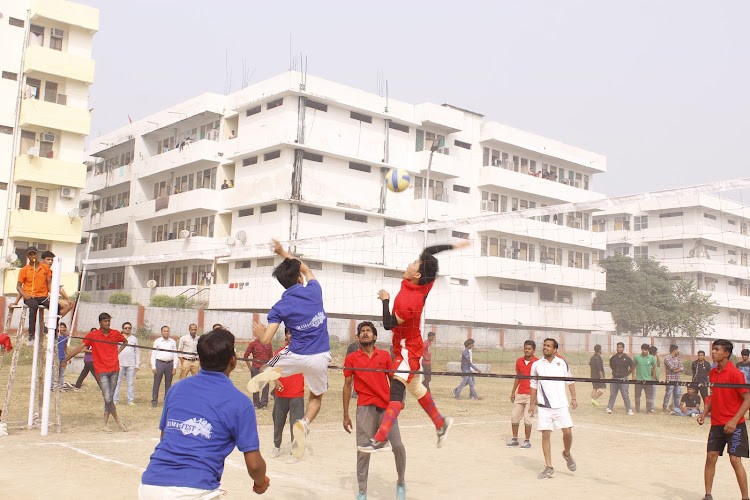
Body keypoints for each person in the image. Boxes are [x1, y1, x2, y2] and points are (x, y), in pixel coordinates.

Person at [359, 241, 471, 453]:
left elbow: (388, 324)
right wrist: (455, 246)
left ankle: (381, 438)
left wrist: (385, 300)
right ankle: (441, 423)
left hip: (408, 350)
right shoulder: (421, 283)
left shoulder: (410, 300)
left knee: (396, 392)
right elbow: (428, 252)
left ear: (417, 275)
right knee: (417, 388)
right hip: (402, 346)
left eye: (414, 263)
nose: (411, 263)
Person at [140, 328, 269, 498]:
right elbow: (254, 465)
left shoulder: (176, 389)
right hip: (194, 490)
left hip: (150, 485)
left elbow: (165, 437)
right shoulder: (240, 403)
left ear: (200, 360)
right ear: (233, 360)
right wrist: (261, 482)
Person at [251, 239, 332, 460]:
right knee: (316, 397)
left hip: (295, 354)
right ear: (299, 278)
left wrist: (260, 334)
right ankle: (304, 423)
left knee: (266, 367)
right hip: (320, 356)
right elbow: (305, 268)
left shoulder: (280, 306)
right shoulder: (315, 290)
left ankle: (265, 377)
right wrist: (282, 252)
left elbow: (267, 340)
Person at [343, 321, 406, 500]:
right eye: (362, 331)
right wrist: (345, 414)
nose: (365, 334)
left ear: (375, 336)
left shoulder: (385, 356)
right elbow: (347, 386)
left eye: (368, 331)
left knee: (399, 446)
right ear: (357, 337)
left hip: (386, 408)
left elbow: (395, 380)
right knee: (363, 450)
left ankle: (401, 482)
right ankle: (362, 492)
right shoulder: (352, 358)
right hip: (364, 408)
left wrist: (400, 400)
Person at [698, 339, 750, 500]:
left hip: (735, 425)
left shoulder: (736, 374)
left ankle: (745, 498)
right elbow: (713, 396)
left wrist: (734, 421)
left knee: (735, 460)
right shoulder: (713, 372)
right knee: (710, 457)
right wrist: (704, 412)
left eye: (717, 350)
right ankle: (708, 495)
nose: (713, 352)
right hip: (717, 424)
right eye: (713, 349)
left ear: (726, 353)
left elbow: (747, 399)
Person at [64, 312, 128, 432]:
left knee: (109, 397)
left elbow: (125, 342)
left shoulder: (115, 333)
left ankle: (105, 424)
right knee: (108, 397)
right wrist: (67, 359)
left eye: (109, 321)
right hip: (101, 370)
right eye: (105, 321)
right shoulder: (93, 335)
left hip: (114, 368)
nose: (107, 323)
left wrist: (117, 352)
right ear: (100, 322)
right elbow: (79, 347)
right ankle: (118, 421)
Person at [529, 338, 577, 480]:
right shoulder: (537, 365)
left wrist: (573, 398)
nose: (545, 348)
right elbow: (533, 384)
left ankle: (566, 454)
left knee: (567, 432)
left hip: (561, 405)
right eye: (544, 345)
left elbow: (570, 381)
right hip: (544, 406)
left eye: (548, 346)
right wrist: (532, 404)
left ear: (555, 349)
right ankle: (549, 467)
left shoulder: (562, 363)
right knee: (545, 435)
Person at [270, 328, 305, 462]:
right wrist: (276, 380)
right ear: (286, 335)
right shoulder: (279, 353)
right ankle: (276, 446)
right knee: (278, 422)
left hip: (297, 394)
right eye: (290, 333)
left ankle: (295, 452)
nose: (292, 335)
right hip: (281, 394)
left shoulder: (304, 353)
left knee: (296, 424)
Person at [16, 247, 51, 343]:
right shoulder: (24, 270)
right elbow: (18, 286)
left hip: (43, 295)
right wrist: (25, 295)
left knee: (55, 306)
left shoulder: (45, 268)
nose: (33, 256)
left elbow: (49, 283)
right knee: (34, 306)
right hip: (30, 296)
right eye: (30, 255)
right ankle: (31, 334)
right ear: (27, 256)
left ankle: (51, 329)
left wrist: (52, 294)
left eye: (34, 254)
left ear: (37, 254)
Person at [508, 340, 538, 449]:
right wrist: (513, 392)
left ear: (533, 350)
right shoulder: (519, 361)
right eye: (525, 348)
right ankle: (515, 439)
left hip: (531, 395)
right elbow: (518, 377)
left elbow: (539, 381)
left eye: (529, 349)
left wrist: (536, 399)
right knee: (514, 417)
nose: (527, 350)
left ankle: (526, 441)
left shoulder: (537, 362)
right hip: (520, 394)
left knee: (527, 418)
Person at [245, 329, 273, 410]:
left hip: (265, 369)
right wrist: (250, 368)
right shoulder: (253, 344)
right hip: (256, 368)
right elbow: (245, 356)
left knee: (265, 386)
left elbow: (271, 357)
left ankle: (264, 403)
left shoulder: (268, 344)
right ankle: (256, 404)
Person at [151, 326, 178, 408]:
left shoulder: (172, 342)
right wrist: (153, 366)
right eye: (164, 331)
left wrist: (175, 366)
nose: (166, 332)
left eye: (167, 331)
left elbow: (175, 354)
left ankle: (167, 401)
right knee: (156, 383)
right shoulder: (157, 341)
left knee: (168, 384)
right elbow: (153, 354)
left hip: (169, 364)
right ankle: (154, 401)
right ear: (161, 332)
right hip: (159, 363)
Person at [114, 321, 139, 405]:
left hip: (131, 364)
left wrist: (137, 364)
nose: (127, 329)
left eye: (129, 328)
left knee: (130, 383)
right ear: (123, 329)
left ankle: (130, 400)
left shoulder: (134, 339)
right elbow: (114, 350)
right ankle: (115, 399)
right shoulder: (118, 337)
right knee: (117, 382)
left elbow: (137, 352)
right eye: (126, 328)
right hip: (120, 363)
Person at [606, 342, 634, 415]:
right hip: (614, 379)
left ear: (623, 348)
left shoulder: (627, 358)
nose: (619, 348)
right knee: (612, 394)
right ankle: (609, 408)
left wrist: (626, 374)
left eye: (620, 347)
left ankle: (629, 410)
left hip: (623, 379)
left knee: (625, 395)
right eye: (618, 347)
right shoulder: (613, 358)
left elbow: (632, 367)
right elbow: (611, 366)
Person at [632, 343, 657, 413]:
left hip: (648, 380)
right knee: (637, 396)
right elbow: (633, 367)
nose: (644, 351)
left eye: (646, 350)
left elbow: (655, 367)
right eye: (643, 350)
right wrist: (633, 376)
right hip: (638, 380)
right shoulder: (637, 357)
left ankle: (648, 410)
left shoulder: (651, 358)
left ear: (648, 350)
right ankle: (637, 409)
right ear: (641, 349)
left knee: (649, 397)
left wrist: (653, 377)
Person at [663, 344, 684, 413]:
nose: (678, 351)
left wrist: (678, 369)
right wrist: (679, 369)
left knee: (677, 394)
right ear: (674, 350)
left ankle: (676, 408)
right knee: (668, 394)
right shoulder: (667, 358)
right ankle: (665, 407)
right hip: (670, 379)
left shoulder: (678, 358)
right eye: (677, 350)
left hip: (677, 379)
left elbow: (682, 367)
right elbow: (671, 368)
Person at [55, 322, 70, 389]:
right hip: (56, 356)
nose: (62, 329)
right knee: (55, 371)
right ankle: (53, 386)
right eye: (61, 327)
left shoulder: (65, 337)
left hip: (62, 356)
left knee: (61, 372)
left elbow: (65, 347)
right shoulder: (55, 336)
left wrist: (69, 357)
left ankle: (60, 386)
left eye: (64, 327)